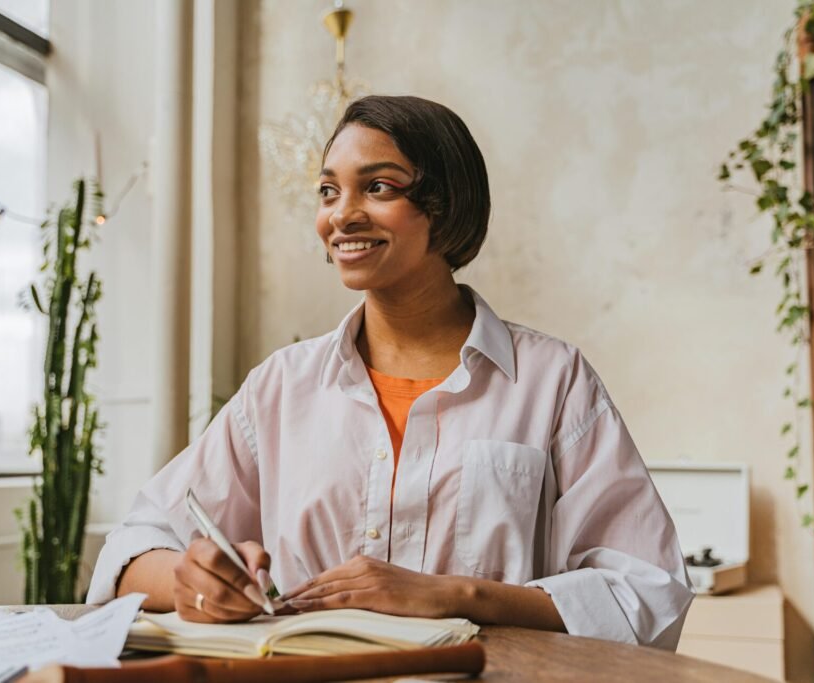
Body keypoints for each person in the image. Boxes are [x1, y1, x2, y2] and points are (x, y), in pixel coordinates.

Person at [86, 95, 693, 650]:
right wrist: (195, 580)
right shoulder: (282, 386)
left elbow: (648, 590)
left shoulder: (552, 380)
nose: (342, 215)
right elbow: (132, 546)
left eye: (377, 187)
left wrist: (454, 594)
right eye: (328, 191)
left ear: (447, 204)